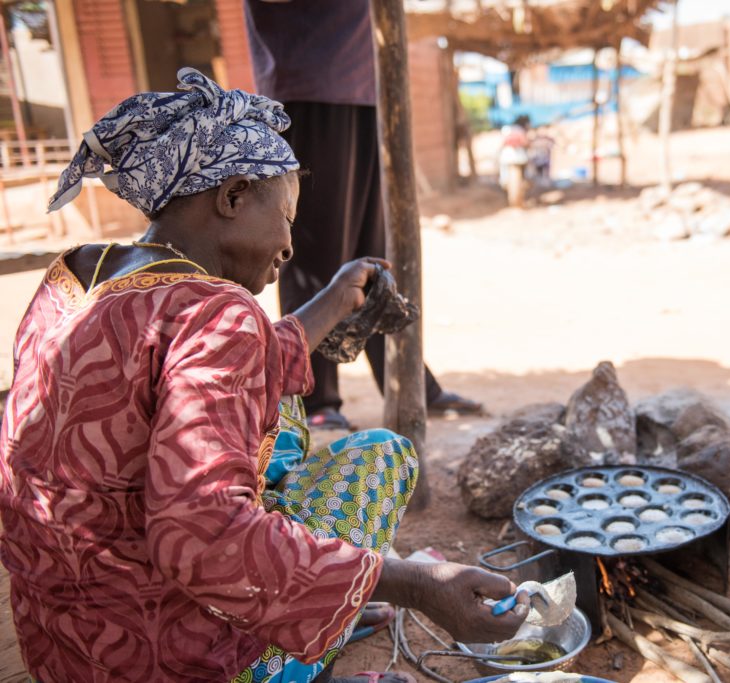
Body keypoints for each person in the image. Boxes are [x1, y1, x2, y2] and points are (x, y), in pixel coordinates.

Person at [0, 69, 525, 683]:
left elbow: (222, 367)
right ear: (232, 197)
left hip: (61, 646)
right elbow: (201, 536)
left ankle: (321, 607)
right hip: (169, 663)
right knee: (383, 455)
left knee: (287, 416)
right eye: (286, 218)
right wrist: (416, 583)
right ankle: (291, 654)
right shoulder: (222, 313)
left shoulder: (76, 274)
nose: (288, 247)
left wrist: (337, 297)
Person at [244, 0, 482, 430]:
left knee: (376, 253)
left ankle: (405, 379)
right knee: (313, 253)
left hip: (368, 85)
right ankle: (313, 395)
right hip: (311, 83)